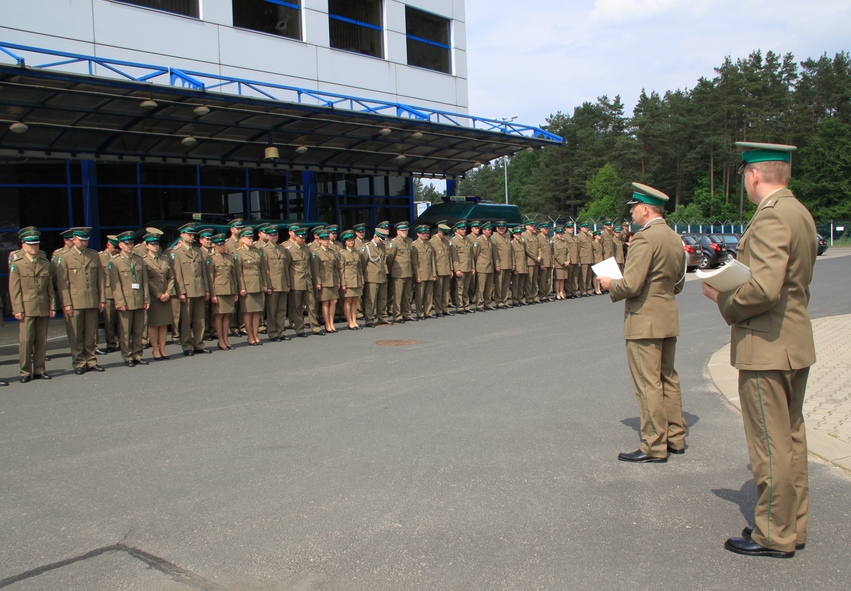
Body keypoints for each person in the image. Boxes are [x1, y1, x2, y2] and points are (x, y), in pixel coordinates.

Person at [701, 142, 816, 559]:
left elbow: (765, 288)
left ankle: (774, 534)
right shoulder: (798, 211)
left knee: (770, 444)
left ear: (753, 175)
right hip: (792, 341)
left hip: (766, 344)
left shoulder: (771, 216)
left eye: (744, 177)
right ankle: (790, 525)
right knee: (791, 440)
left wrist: (722, 298)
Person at [598, 183, 686, 464]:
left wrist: (610, 283)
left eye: (634, 208)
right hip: (666, 316)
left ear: (646, 209)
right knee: (668, 379)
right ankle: (675, 437)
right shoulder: (673, 237)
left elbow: (632, 284)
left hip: (644, 320)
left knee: (648, 384)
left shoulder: (645, 239)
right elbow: (679, 283)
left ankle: (654, 444)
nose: (632, 213)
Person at [8, 228, 55, 383]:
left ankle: (40, 369)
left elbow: (49, 287)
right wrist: (17, 309)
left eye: (36, 244)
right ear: (24, 245)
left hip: (42, 305)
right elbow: (14, 289)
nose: (34, 247)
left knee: (41, 340)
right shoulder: (18, 264)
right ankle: (25, 371)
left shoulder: (44, 263)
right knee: (26, 341)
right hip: (27, 308)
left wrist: (52, 305)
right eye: (30, 245)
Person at [109, 231, 150, 367]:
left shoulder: (139, 259)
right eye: (126, 244)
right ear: (120, 245)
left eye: (131, 243)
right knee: (125, 331)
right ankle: (127, 356)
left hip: (138, 299)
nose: (129, 246)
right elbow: (115, 285)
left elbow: (144, 281)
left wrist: (146, 299)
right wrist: (120, 302)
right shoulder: (115, 262)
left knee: (138, 330)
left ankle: (137, 354)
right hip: (126, 301)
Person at [171, 223, 211, 356]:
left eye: (193, 235)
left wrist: (206, 289)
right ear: (182, 235)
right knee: (186, 321)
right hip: (186, 290)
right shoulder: (176, 252)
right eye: (189, 234)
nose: (191, 237)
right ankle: (187, 346)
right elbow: (177, 274)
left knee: (200, 319)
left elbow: (203, 272)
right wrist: (180, 291)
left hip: (199, 288)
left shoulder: (197, 251)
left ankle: (199, 344)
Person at [234, 227, 270, 346]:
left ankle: (256, 335)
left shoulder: (256, 251)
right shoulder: (238, 253)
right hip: (248, 286)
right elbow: (239, 273)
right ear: (242, 239)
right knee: (248, 312)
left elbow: (262, 269)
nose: (251, 240)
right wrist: (242, 287)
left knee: (257, 312)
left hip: (258, 285)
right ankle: (250, 336)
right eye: (248, 238)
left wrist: (264, 284)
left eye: (251, 238)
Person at [141, 232, 175, 360]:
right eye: (152, 244)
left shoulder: (165, 259)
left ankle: (163, 348)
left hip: (166, 295)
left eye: (156, 244)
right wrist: (159, 294)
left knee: (164, 324)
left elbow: (171, 277)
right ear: (147, 246)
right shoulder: (144, 260)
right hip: (154, 297)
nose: (155, 246)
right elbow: (147, 280)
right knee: (154, 324)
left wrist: (168, 292)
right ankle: (155, 348)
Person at [257, 224, 291, 342]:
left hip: (282, 283)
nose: (274, 237)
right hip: (272, 284)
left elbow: (285, 268)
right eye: (272, 235)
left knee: (281, 310)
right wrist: (267, 285)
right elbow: (264, 269)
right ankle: (272, 333)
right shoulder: (264, 250)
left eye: (276, 234)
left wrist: (288, 283)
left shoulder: (281, 248)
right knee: (272, 310)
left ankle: (280, 331)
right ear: (267, 236)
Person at [206, 233, 238, 351]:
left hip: (229, 289)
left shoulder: (229, 257)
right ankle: (220, 340)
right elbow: (210, 278)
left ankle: (226, 339)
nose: (222, 247)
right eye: (219, 245)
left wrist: (235, 292)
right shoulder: (211, 258)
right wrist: (213, 294)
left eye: (223, 244)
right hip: (219, 291)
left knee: (227, 315)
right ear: (214, 246)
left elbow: (233, 276)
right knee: (219, 316)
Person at [310, 229, 341, 333]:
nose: (326, 241)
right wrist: (318, 282)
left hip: (333, 280)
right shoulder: (316, 253)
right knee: (325, 303)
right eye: (323, 239)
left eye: (327, 239)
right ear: (319, 240)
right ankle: (327, 324)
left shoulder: (332, 252)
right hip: (324, 281)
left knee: (334, 301)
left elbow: (336, 268)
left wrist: (338, 280)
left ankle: (331, 323)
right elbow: (316, 269)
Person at [386, 221, 416, 322]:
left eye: (406, 230)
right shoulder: (394, 242)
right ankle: (397, 315)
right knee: (397, 296)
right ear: (398, 232)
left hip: (408, 271)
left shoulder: (409, 241)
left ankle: (407, 314)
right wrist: (392, 270)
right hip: (398, 273)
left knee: (407, 295)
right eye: (403, 230)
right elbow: (390, 258)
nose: (405, 232)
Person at [361, 227, 389, 327]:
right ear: (375, 236)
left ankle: (382, 317)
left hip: (382, 276)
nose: (382, 242)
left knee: (382, 298)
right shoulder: (367, 247)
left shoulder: (382, 246)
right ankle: (369, 319)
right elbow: (363, 264)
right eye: (380, 239)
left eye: (383, 240)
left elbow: (384, 260)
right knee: (371, 299)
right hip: (371, 277)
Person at [98, 235, 120, 353]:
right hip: (107, 292)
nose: (116, 249)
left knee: (122, 320)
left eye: (117, 247)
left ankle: (123, 342)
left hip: (120, 292)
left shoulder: (120, 256)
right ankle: (111, 343)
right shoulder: (101, 257)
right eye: (114, 247)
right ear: (108, 245)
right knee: (109, 320)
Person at [339, 229, 364, 330]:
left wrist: (362, 281)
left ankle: (354, 320)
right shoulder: (342, 253)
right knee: (348, 301)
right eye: (348, 240)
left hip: (357, 280)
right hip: (348, 281)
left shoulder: (357, 253)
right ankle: (349, 321)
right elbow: (341, 270)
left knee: (355, 301)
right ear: (345, 242)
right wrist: (343, 283)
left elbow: (360, 268)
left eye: (352, 240)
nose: (351, 242)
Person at [411, 225, 437, 319]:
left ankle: (428, 312)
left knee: (429, 294)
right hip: (421, 274)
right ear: (418, 234)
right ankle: (420, 313)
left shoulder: (429, 244)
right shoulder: (414, 245)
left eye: (427, 233)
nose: (426, 235)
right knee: (420, 295)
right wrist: (417, 275)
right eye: (423, 233)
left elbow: (432, 260)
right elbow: (414, 262)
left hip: (429, 273)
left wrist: (434, 273)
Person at [449, 222, 474, 314]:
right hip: (461, 268)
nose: (464, 230)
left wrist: (473, 267)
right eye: (462, 229)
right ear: (457, 230)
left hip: (468, 267)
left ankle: (466, 306)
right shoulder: (454, 240)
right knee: (460, 288)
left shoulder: (467, 239)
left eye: (465, 229)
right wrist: (457, 269)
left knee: (466, 288)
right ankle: (460, 307)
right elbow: (454, 257)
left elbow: (471, 255)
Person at [430, 223, 454, 316]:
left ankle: (445, 308)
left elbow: (449, 256)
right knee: (438, 292)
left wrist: (451, 269)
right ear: (439, 231)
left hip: (446, 269)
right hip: (438, 270)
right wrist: (434, 272)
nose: (445, 236)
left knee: (446, 291)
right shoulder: (433, 242)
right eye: (444, 234)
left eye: (446, 234)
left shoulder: (446, 241)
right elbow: (432, 258)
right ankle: (438, 310)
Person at [491, 220, 514, 309]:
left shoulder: (507, 236)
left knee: (506, 284)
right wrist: (497, 264)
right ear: (497, 228)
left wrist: (513, 263)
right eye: (500, 228)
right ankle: (498, 301)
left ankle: (504, 300)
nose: (501, 229)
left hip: (508, 264)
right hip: (500, 264)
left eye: (503, 228)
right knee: (499, 284)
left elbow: (511, 251)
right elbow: (495, 253)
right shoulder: (494, 238)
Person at [510, 226, 528, 306]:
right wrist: (514, 266)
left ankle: (520, 298)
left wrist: (526, 267)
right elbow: (512, 256)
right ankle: (515, 300)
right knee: (515, 285)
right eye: (517, 234)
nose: (519, 235)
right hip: (517, 267)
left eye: (520, 234)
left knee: (521, 284)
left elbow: (524, 256)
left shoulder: (522, 243)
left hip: (523, 266)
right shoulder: (512, 244)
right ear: (513, 235)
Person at [552, 226, 569, 300]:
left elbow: (568, 252)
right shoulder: (554, 242)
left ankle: (561, 292)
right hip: (559, 264)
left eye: (561, 233)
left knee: (563, 279)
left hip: (565, 262)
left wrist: (568, 260)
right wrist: (562, 262)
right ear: (556, 234)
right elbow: (556, 254)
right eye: (558, 233)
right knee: (558, 279)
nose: (560, 235)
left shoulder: (564, 242)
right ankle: (557, 293)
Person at [577, 223, 594, 296]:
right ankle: (583, 290)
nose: (586, 228)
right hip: (583, 258)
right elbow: (578, 249)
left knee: (589, 276)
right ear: (581, 228)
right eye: (585, 227)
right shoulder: (579, 236)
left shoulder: (589, 236)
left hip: (589, 258)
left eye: (587, 227)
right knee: (583, 276)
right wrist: (578, 260)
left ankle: (588, 289)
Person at [564, 224, 580, 298]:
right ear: (566, 229)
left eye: (572, 228)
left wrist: (579, 260)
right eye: (569, 228)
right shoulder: (565, 237)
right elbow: (565, 250)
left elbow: (578, 250)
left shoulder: (575, 237)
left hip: (576, 259)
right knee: (569, 277)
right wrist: (567, 260)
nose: (571, 229)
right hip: (570, 260)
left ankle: (574, 291)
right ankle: (568, 292)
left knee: (575, 277)